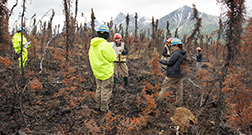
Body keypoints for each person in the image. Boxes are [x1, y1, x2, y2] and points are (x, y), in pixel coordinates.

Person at [88, 25, 116, 112]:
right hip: (106, 72)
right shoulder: (106, 45)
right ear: (107, 35)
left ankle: (98, 105)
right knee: (106, 90)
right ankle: (104, 109)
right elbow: (112, 57)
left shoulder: (93, 44)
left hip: (97, 71)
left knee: (99, 89)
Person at [158, 38, 187, 106]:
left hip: (172, 74)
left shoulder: (176, 53)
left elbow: (170, 62)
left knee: (164, 87)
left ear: (176, 46)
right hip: (180, 74)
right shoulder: (183, 53)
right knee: (179, 89)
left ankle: (158, 102)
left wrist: (161, 61)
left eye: (172, 46)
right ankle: (179, 103)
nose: (171, 47)